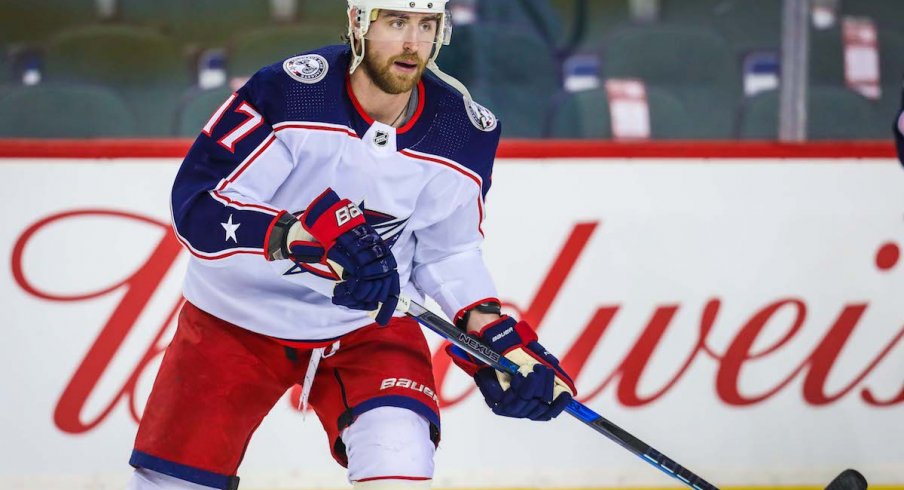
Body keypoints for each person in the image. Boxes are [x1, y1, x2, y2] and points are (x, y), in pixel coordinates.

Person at [126, 1, 576, 488]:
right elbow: (198, 204)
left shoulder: (462, 129)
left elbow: (448, 252)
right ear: (358, 24)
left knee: (401, 462)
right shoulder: (291, 93)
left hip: (368, 325)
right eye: (397, 22)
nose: (412, 43)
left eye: (426, 26)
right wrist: (301, 236)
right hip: (234, 319)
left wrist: (493, 337)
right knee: (171, 484)